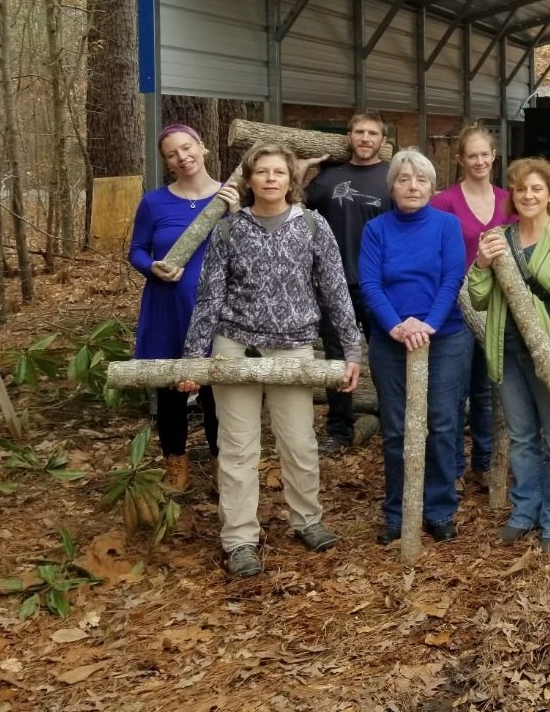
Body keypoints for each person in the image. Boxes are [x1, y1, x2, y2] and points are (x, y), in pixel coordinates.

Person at [181, 143, 361, 579]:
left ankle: (307, 520)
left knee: (298, 441)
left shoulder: (314, 228)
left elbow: (335, 290)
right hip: (236, 347)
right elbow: (209, 297)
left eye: (278, 172)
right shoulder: (228, 230)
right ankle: (239, 539)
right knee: (238, 448)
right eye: (261, 172)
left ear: (290, 180)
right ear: (249, 180)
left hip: (294, 348)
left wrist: (351, 348)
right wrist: (192, 358)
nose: (270, 179)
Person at [468, 157, 550, 553]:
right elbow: (479, 297)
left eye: (537, 189)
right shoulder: (500, 237)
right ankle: (525, 512)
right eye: (521, 189)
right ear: (512, 196)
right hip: (510, 350)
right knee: (521, 437)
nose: (528, 195)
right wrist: (483, 263)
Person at [359, 148, 471, 545]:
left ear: (431, 186)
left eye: (420, 179)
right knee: (396, 430)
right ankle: (397, 511)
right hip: (390, 343)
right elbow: (370, 284)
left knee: (442, 425)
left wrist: (426, 325)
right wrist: (396, 326)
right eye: (404, 179)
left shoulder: (446, 225)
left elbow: (451, 279)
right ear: (392, 187)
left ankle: (439, 509)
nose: (412, 186)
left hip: (444, 339)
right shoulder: (377, 229)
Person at [128, 125, 238, 491]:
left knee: (216, 391)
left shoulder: (230, 196)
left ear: (202, 147)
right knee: (171, 389)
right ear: (167, 162)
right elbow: (137, 250)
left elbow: (249, 254)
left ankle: (223, 463)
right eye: (173, 153)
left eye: (187, 148)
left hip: (217, 310)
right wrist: (151, 267)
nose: (182, 157)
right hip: (166, 309)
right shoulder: (154, 202)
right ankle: (176, 463)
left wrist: (238, 216)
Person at [301, 110, 390, 456]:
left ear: (382, 140)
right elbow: (293, 202)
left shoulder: (392, 177)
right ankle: (339, 429)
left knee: (384, 354)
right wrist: (304, 164)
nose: (365, 138)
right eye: (359, 132)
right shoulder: (329, 177)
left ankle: (393, 419)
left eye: (372, 133)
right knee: (337, 359)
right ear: (349, 137)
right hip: (333, 285)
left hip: (379, 284)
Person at [431, 126, 514, 491]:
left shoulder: (509, 200)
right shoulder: (444, 202)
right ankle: (452, 468)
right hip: (455, 308)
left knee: (487, 390)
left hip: (497, 307)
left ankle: (484, 461)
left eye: (485, 154)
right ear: (461, 159)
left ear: (494, 156)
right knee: (452, 394)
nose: (479, 161)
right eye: (472, 155)